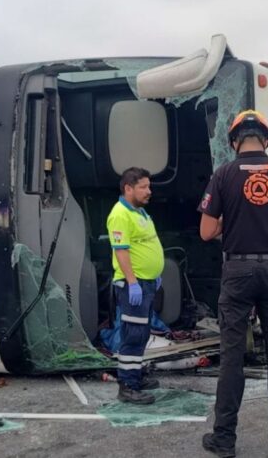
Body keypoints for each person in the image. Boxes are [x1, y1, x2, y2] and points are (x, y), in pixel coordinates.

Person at [199, 109, 268, 457]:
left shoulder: (223, 174)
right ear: (266, 139)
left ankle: (225, 439)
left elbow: (206, 232)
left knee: (232, 356)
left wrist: (228, 223)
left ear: (234, 141)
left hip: (237, 272)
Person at [106, 167, 164, 405]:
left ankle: (135, 376)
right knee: (132, 333)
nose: (148, 191)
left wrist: (155, 274)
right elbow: (121, 251)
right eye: (143, 187)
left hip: (146, 282)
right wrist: (132, 282)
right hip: (134, 285)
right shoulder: (120, 214)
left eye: (148, 186)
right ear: (128, 188)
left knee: (142, 333)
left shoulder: (139, 212)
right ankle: (127, 386)